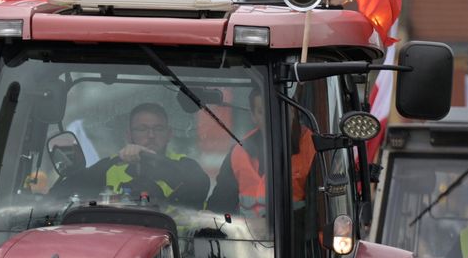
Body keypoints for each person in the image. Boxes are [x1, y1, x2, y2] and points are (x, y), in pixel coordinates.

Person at [55, 103, 209, 207]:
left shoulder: (186, 166)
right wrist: (118, 160)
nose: (151, 135)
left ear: (169, 134)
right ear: (129, 135)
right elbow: (61, 193)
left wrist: (154, 161)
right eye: (142, 129)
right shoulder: (111, 166)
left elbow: (200, 186)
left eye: (158, 129)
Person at [207, 89, 317, 217]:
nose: (271, 117)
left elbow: (320, 208)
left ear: (292, 111)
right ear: (253, 117)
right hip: (246, 235)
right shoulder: (239, 152)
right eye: (261, 112)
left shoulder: (314, 147)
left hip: (294, 235)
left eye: (277, 109)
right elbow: (219, 205)